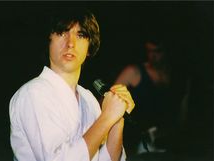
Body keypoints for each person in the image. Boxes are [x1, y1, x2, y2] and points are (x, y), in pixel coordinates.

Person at [9, 8, 135, 161]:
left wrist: (116, 118)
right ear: (48, 41)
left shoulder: (88, 99)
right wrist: (106, 118)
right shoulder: (33, 94)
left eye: (80, 35)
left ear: (89, 47)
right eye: (62, 33)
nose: (70, 44)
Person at [114, 39, 176, 157]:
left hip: (167, 141)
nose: (153, 56)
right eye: (149, 51)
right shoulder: (133, 72)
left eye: (157, 51)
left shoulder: (175, 74)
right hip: (138, 142)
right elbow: (107, 99)